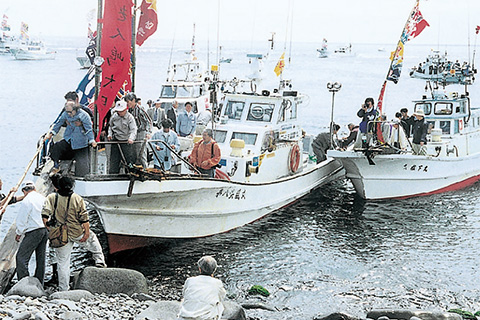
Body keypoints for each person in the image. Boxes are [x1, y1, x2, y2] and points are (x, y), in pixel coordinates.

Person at [41, 175, 106, 292]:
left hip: (60, 234)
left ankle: (63, 289)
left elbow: (45, 215)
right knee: (92, 240)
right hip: (76, 231)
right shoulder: (77, 198)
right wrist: (86, 232)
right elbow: (84, 218)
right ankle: (99, 260)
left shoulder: (52, 197)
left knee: (63, 263)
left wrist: (49, 228)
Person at [44, 101, 97, 177]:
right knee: (57, 147)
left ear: (75, 109)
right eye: (67, 111)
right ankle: (56, 165)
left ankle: (80, 177)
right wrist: (51, 134)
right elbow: (59, 123)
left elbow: (89, 129)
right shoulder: (65, 114)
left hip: (80, 143)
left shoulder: (84, 115)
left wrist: (92, 140)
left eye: (70, 112)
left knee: (82, 165)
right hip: (69, 140)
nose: (68, 114)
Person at [15, 181, 48, 286]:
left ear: (24, 191)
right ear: (34, 188)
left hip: (34, 231)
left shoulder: (27, 200)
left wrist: (19, 232)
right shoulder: (43, 198)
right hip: (44, 229)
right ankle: (39, 283)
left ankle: (24, 284)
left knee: (21, 257)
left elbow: (22, 219)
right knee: (41, 258)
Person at [178, 256, 226, 320]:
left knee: (183, 300)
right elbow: (222, 297)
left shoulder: (190, 280)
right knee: (219, 305)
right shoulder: (217, 283)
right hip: (205, 318)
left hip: (185, 317)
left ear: (200, 269)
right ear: (214, 270)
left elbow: (184, 294)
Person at [108, 100, 137, 174]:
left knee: (129, 161)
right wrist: (110, 135)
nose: (119, 113)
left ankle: (130, 174)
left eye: (121, 111)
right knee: (114, 160)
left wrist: (131, 138)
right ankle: (113, 175)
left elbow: (133, 129)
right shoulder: (114, 116)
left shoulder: (130, 118)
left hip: (126, 141)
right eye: (118, 111)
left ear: (125, 110)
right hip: (116, 140)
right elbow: (110, 127)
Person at [126, 92, 152, 168]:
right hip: (132, 133)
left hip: (141, 132)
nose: (128, 103)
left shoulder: (140, 109)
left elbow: (148, 121)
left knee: (141, 152)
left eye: (128, 101)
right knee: (133, 153)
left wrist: (148, 132)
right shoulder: (129, 111)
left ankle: (145, 168)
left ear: (133, 100)